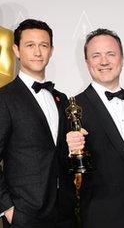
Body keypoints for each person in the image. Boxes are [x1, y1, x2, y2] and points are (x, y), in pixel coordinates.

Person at [65, 28, 124, 228]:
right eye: (96, 56)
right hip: (101, 216)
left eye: (111, 54)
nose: (104, 61)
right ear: (87, 63)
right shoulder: (72, 108)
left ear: (122, 59)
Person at [0, 19, 75, 228]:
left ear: (51, 50)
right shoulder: (5, 98)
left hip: (64, 212)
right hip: (25, 215)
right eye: (30, 45)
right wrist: (8, 209)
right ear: (16, 49)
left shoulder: (61, 98)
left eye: (44, 45)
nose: (38, 52)